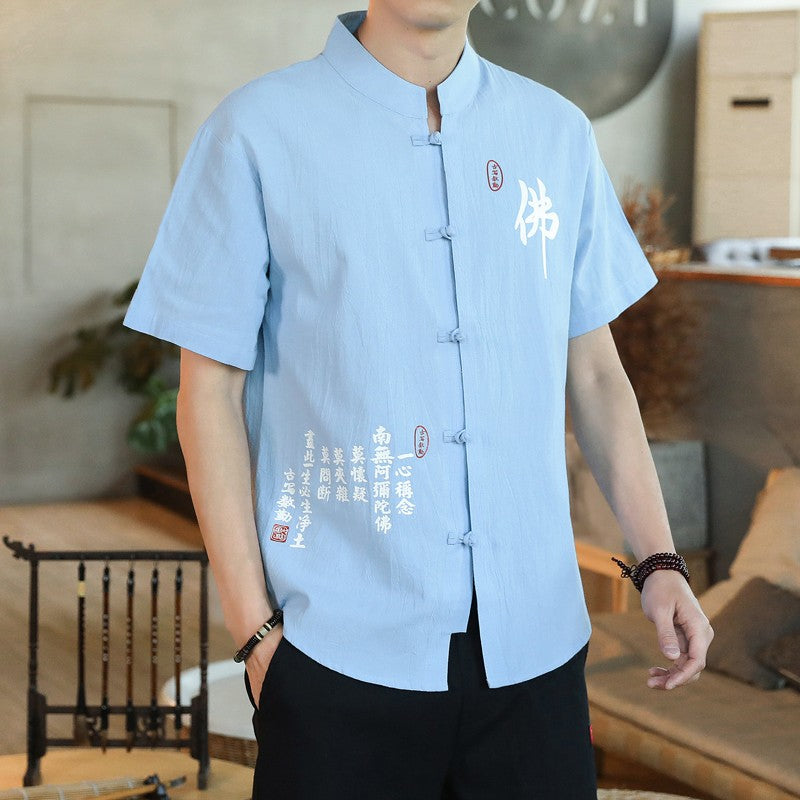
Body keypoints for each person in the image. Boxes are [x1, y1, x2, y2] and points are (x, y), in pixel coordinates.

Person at [123, 3, 714, 797]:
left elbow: (597, 375)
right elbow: (208, 394)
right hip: (336, 651)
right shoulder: (256, 130)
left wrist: (660, 563)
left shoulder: (557, 133)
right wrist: (253, 629)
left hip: (536, 652)